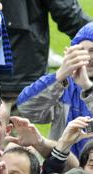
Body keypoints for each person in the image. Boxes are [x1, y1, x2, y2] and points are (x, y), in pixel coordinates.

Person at [17, 22, 93, 155]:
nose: (88, 57)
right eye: (81, 50)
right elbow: (27, 110)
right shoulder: (63, 85)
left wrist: (87, 87)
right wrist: (58, 77)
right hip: (64, 170)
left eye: (92, 51)